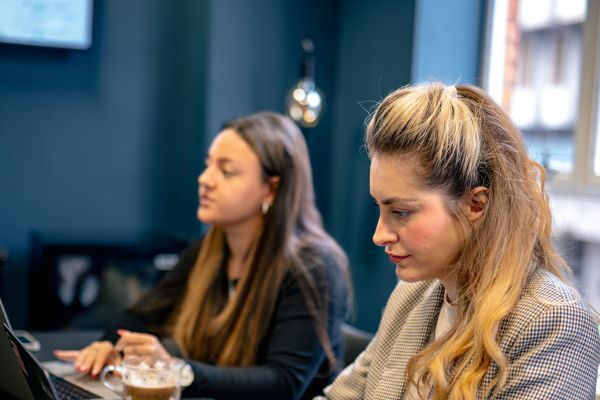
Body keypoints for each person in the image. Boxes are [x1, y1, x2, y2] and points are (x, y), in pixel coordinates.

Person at [317, 82, 600, 399]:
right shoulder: (412, 295)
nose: (379, 235)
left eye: (401, 212)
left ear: (475, 204)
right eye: (380, 208)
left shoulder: (553, 323)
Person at [54, 112, 352, 400]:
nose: (205, 179)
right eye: (208, 165)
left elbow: (284, 383)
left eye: (227, 171)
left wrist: (178, 372)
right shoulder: (207, 250)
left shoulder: (314, 267)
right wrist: (109, 345)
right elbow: (142, 316)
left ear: (271, 190)